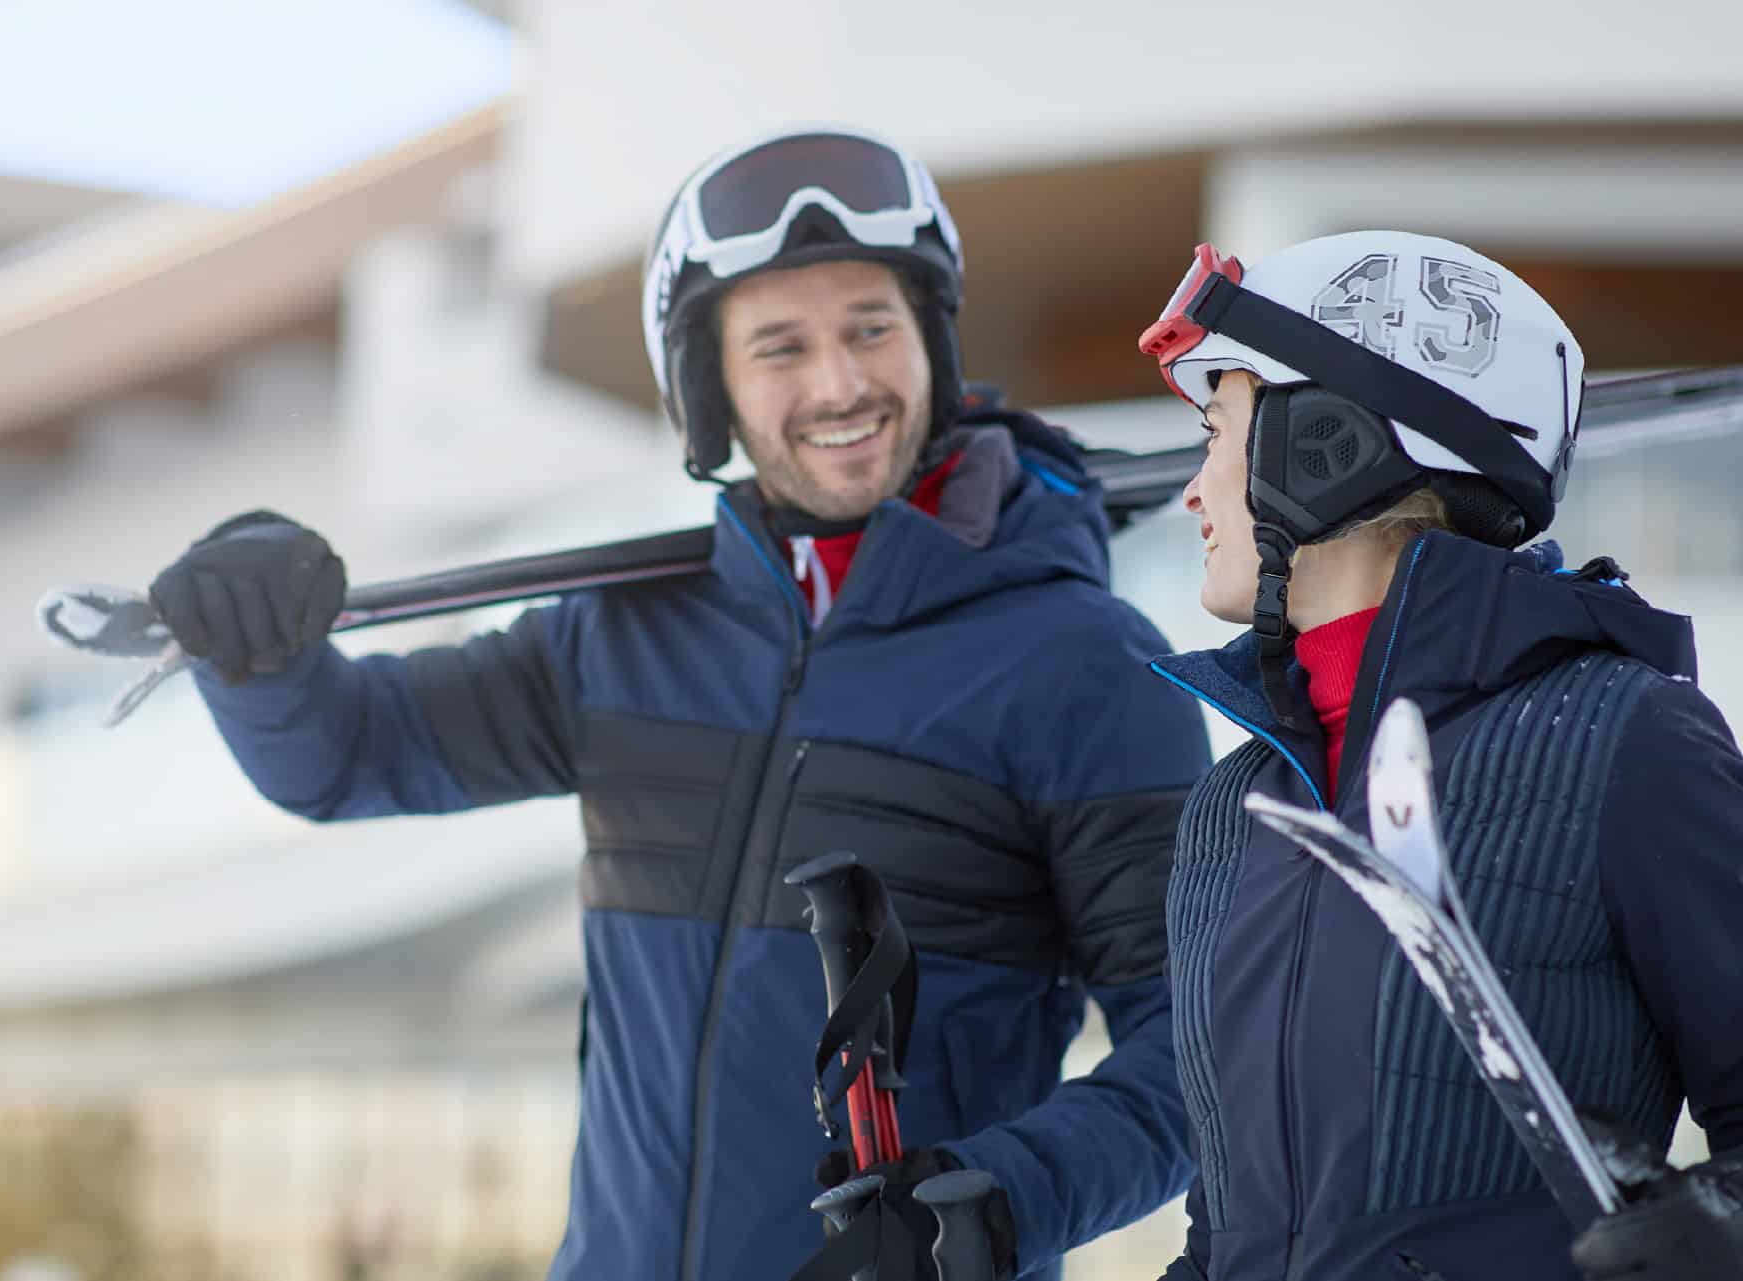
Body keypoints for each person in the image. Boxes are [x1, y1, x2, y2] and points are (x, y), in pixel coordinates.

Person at [147, 125, 1212, 1281]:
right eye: (780, 348)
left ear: (932, 345)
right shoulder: (626, 635)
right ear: (711, 387)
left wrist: (996, 1204)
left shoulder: (1082, 667)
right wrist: (253, 643)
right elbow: (344, 756)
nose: (840, 383)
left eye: (872, 328)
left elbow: (1204, 1056)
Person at [1133, 230, 1743, 1281]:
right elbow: (1225, 1230)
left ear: (1326, 444)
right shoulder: (1234, 808)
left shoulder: (1620, 741)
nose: (1190, 490)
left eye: (1217, 431)